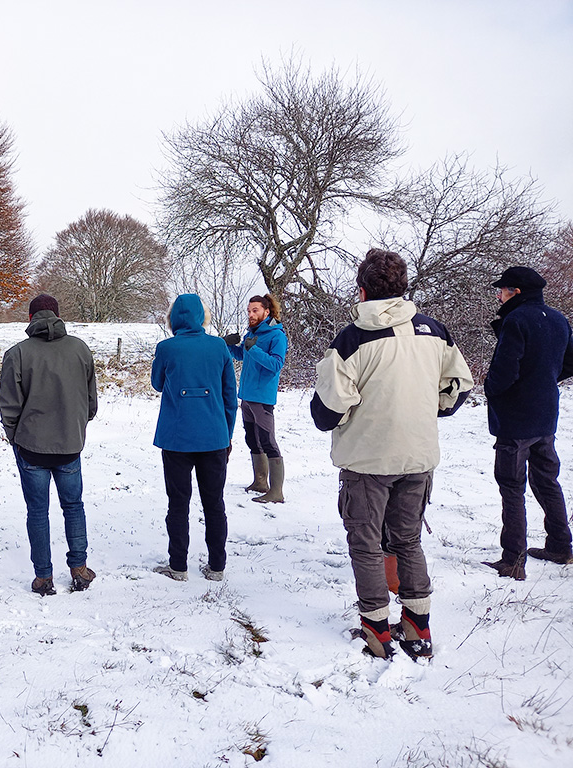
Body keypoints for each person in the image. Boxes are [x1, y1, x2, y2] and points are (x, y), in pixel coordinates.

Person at [311, 249, 473, 660]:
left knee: (365, 544)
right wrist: (424, 406)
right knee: (408, 540)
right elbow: (458, 388)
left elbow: (328, 411)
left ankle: (376, 632)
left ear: (361, 289)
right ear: (402, 288)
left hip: (368, 459)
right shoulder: (435, 331)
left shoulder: (353, 337)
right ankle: (418, 628)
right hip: (418, 456)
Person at [0, 294, 99, 596]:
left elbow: (8, 406)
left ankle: (43, 577)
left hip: (31, 447)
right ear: (58, 315)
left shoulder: (17, 353)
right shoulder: (80, 349)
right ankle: (79, 568)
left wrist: (15, 436)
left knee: (37, 512)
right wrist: (77, 424)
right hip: (69, 444)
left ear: (31, 319)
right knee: (73, 506)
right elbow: (91, 401)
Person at [482, 266, 573, 580]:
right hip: (546, 417)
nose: (499, 294)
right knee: (547, 482)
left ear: (515, 292)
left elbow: (504, 372)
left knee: (511, 487)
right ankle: (561, 546)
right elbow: (570, 361)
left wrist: (490, 387)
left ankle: (512, 561)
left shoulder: (516, 320)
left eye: (502, 290)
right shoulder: (559, 319)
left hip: (515, 421)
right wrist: (544, 380)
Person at [151, 293, 237, 582]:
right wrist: (228, 435)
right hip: (214, 436)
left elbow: (156, 383)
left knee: (178, 502)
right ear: (203, 316)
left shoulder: (166, 348)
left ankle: (178, 566)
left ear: (173, 318)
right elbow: (229, 397)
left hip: (176, 438)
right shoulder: (220, 348)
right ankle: (217, 566)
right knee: (215, 503)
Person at [224, 294, 288, 503]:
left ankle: (276, 492)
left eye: (255, 311)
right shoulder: (252, 333)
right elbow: (243, 355)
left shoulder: (277, 336)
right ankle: (260, 482)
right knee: (252, 440)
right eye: (249, 311)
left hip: (263, 398)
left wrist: (253, 348)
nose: (251, 314)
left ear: (266, 312)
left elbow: (276, 365)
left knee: (268, 441)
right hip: (247, 396)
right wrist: (227, 345)